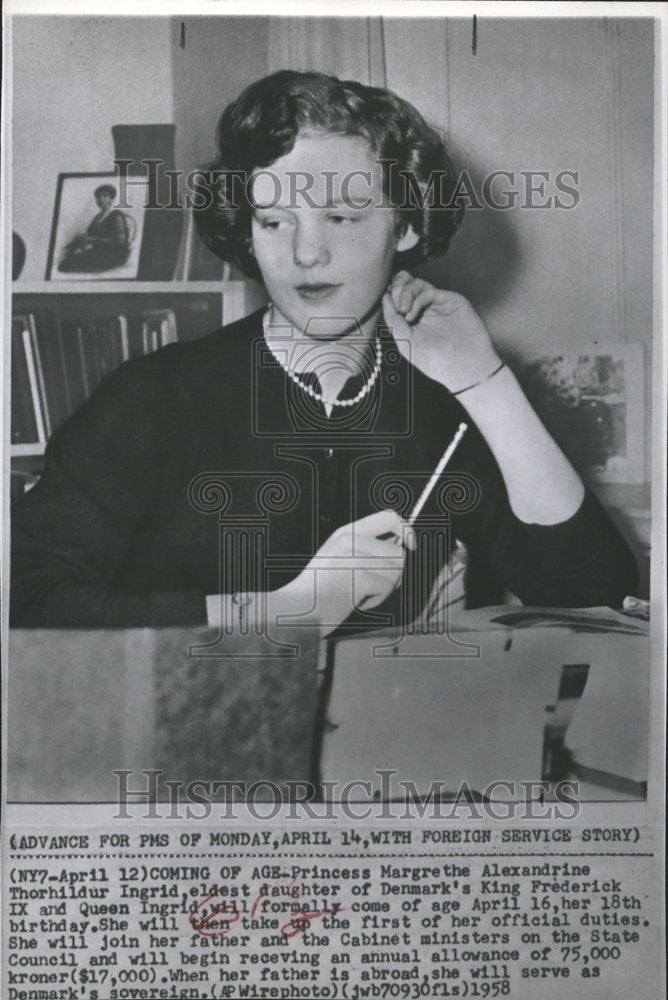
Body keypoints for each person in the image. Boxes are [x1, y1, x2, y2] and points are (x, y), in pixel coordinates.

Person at [11, 70, 638, 633]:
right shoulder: (152, 399)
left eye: (341, 218)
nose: (306, 254)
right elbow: (24, 601)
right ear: (247, 235)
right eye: (275, 221)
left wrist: (486, 381)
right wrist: (285, 608)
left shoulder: (438, 402)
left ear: (408, 225)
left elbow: (592, 594)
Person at [58, 184, 132, 273]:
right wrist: (81, 239)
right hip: (98, 251)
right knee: (66, 263)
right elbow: (91, 235)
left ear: (111, 199)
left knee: (71, 264)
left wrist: (92, 240)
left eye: (105, 196)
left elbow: (119, 242)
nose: (101, 199)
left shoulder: (116, 215)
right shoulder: (97, 217)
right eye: (98, 197)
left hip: (113, 254)